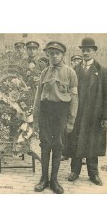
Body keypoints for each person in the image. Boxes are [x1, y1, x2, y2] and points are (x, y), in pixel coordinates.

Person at [67, 38, 107, 186]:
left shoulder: (103, 71)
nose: (86, 53)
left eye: (89, 50)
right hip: (78, 114)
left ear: (94, 51)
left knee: (93, 143)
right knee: (75, 142)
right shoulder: (74, 71)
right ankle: (74, 171)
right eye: (83, 50)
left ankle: (93, 173)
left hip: (94, 115)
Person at [33, 41, 78, 194]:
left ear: (62, 55)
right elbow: (38, 97)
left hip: (61, 113)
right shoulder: (44, 73)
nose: (53, 56)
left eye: (56, 53)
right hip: (46, 113)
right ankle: (43, 178)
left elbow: (74, 99)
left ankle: (54, 180)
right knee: (45, 146)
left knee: (58, 146)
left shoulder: (70, 73)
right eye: (51, 53)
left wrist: (71, 120)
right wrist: (35, 118)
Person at [60, 54, 84, 162]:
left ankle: (82, 155)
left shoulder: (83, 74)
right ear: (71, 62)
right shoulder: (68, 73)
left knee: (79, 131)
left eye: (79, 60)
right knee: (66, 131)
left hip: (81, 105)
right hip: (68, 105)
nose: (77, 62)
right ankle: (65, 153)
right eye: (74, 61)